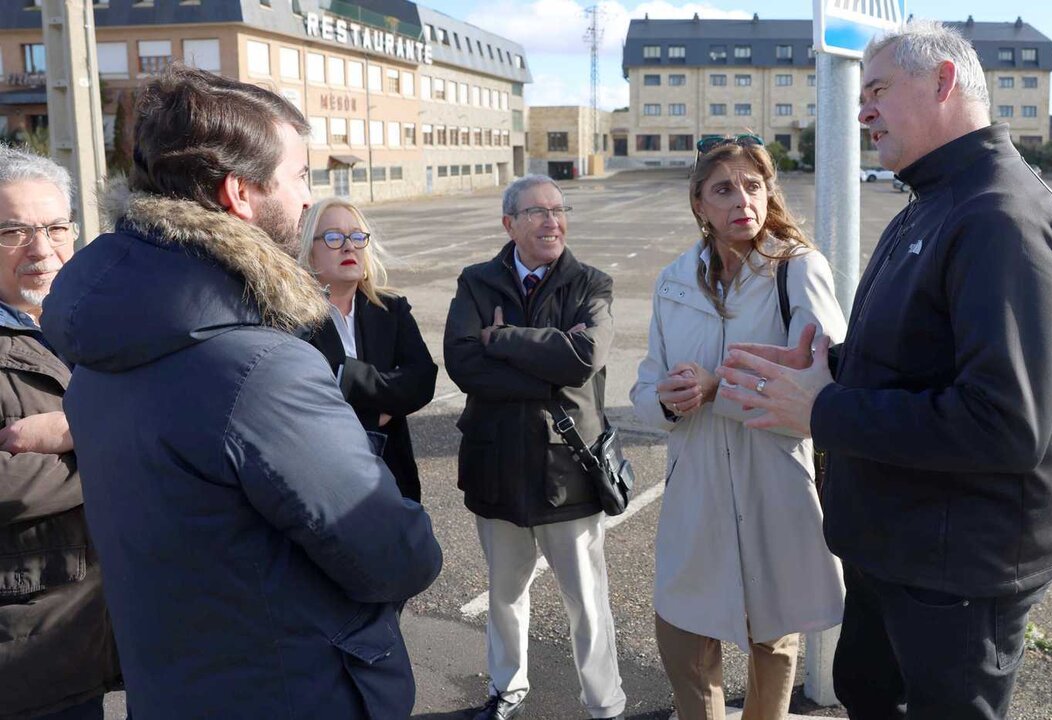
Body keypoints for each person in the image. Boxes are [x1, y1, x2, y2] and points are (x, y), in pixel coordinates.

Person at [39, 66, 442, 719]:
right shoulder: (259, 369)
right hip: (292, 693)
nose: (310, 199)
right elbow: (399, 557)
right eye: (300, 177)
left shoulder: (108, 335)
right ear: (240, 194)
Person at [717, 21, 1052, 720]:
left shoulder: (1000, 217)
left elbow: (1005, 424)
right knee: (868, 694)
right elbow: (913, 356)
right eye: (863, 95)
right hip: (896, 551)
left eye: (879, 90)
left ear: (944, 82)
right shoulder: (931, 201)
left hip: (956, 572)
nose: (862, 111)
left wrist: (822, 410)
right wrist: (827, 368)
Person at [629, 135, 846, 720]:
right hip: (695, 484)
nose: (742, 200)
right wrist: (669, 403)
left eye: (754, 186)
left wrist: (716, 390)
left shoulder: (796, 269)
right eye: (724, 188)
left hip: (770, 479)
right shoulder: (674, 278)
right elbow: (645, 389)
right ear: (699, 202)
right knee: (685, 640)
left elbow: (826, 384)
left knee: (771, 636)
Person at [443, 175, 625, 720]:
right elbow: (463, 364)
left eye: (559, 210)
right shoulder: (477, 282)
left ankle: (605, 703)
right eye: (538, 212)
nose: (552, 221)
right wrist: (547, 373)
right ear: (509, 224)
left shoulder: (591, 282)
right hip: (495, 467)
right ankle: (508, 688)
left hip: (567, 469)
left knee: (586, 602)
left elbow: (584, 357)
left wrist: (502, 340)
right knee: (504, 596)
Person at [0, 147, 121, 719]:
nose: (42, 249)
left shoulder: (103, 326)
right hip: (24, 646)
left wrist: (80, 428)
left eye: (54, 227)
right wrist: (114, 437)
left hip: (94, 629)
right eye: (13, 231)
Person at [299, 198, 437, 503]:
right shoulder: (292, 321)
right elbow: (310, 405)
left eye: (357, 237)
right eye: (334, 237)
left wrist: (348, 379)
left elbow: (422, 380)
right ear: (310, 252)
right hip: (324, 488)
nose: (349, 246)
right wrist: (382, 407)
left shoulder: (392, 310)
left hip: (392, 482)